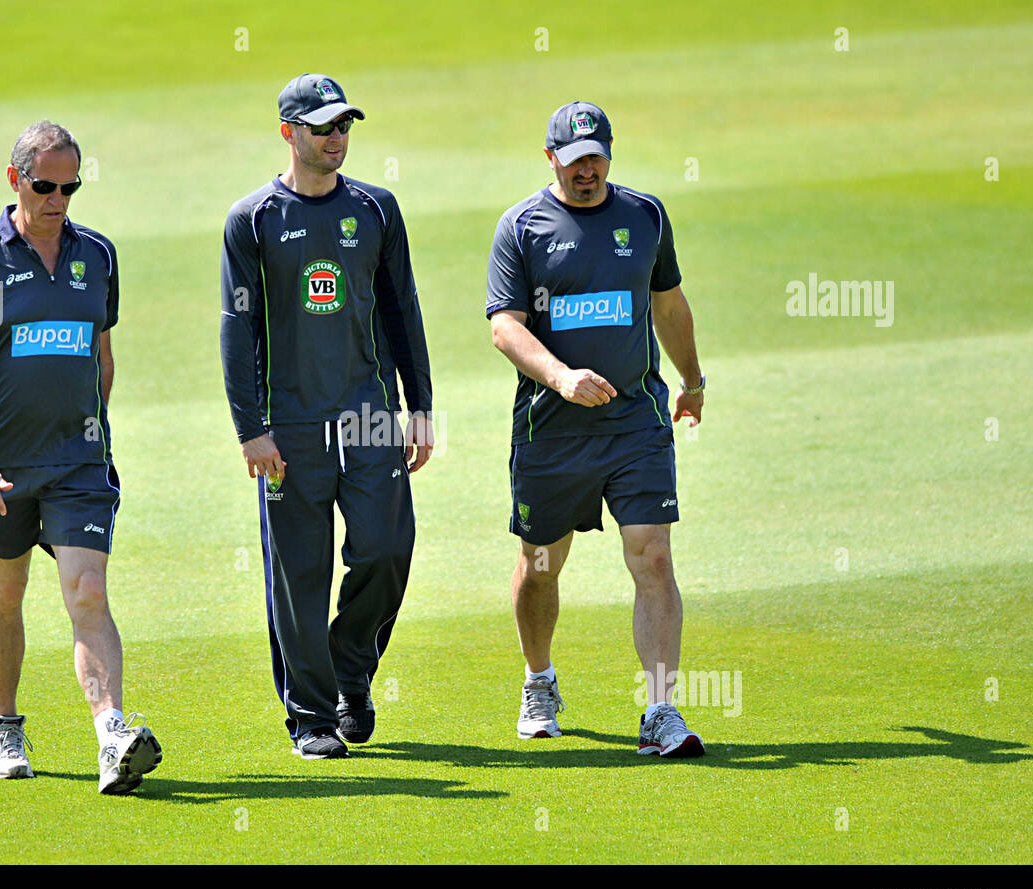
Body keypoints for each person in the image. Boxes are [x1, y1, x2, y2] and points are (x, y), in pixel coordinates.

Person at [0, 120, 161, 794]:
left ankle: (113, 735)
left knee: (88, 591)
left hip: (79, 466)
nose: (59, 197)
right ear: (14, 180)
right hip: (1, 469)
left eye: (71, 185)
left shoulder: (99, 256)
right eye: (45, 185)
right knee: (6, 594)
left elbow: (101, 356)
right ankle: (4, 724)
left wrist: (93, 432)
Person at [220, 74, 434, 759]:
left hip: (369, 415)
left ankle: (351, 671)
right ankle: (313, 715)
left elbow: (401, 308)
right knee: (299, 572)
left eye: (344, 125)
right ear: (289, 133)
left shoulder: (376, 209)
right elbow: (236, 330)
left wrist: (419, 405)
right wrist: (250, 427)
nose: (336, 138)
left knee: (386, 549)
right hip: (289, 425)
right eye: (322, 127)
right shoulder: (252, 219)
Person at [485, 102, 707, 756]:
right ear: (550, 157)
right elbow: (505, 326)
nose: (588, 170)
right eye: (575, 159)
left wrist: (692, 381)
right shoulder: (522, 228)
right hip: (552, 430)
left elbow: (666, 304)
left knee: (654, 556)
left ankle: (661, 713)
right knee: (541, 564)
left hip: (634, 422)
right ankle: (539, 679)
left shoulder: (644, 217)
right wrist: (561, 378)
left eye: (597, 157)